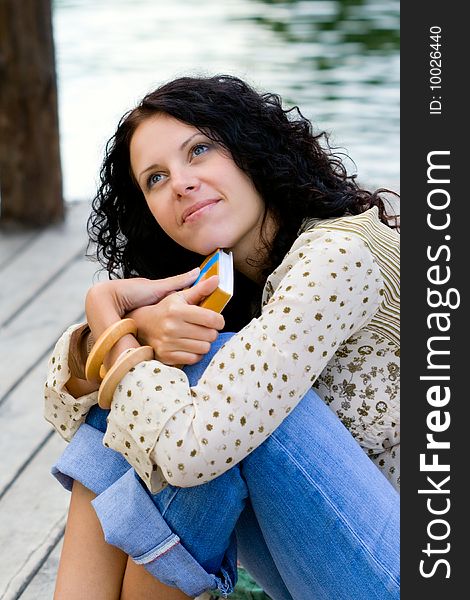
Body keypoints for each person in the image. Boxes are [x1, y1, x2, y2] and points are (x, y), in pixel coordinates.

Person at [44, 75, 400, 600]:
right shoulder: (229, 283)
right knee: (173, 382)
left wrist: (110, 319)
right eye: (156, 178)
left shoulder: (338, 255)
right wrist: (131, 329)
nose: (181, 183)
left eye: (201, 150)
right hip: (337, 557)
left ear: (252, 150)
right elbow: (68, 409)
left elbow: (190, 452)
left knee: (199, 384)